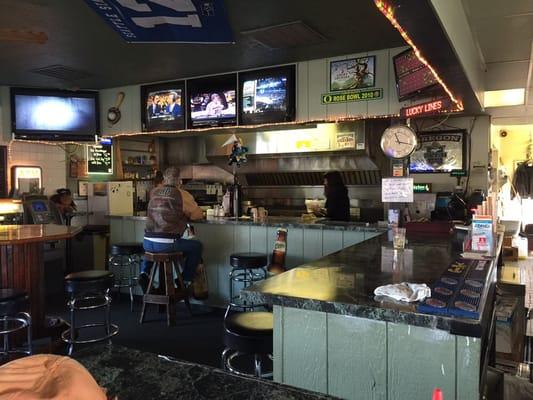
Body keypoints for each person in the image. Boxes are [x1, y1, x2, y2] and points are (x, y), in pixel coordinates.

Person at [139, 167, 204, 293]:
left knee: (155, 245)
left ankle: (144, 273)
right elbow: (197, 215)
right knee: (197, 246)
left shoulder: (154, 192)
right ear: (180, 181)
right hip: (167, 244)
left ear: (164, 179)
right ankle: (184, 281)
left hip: (147, 242)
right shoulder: (182, 194)